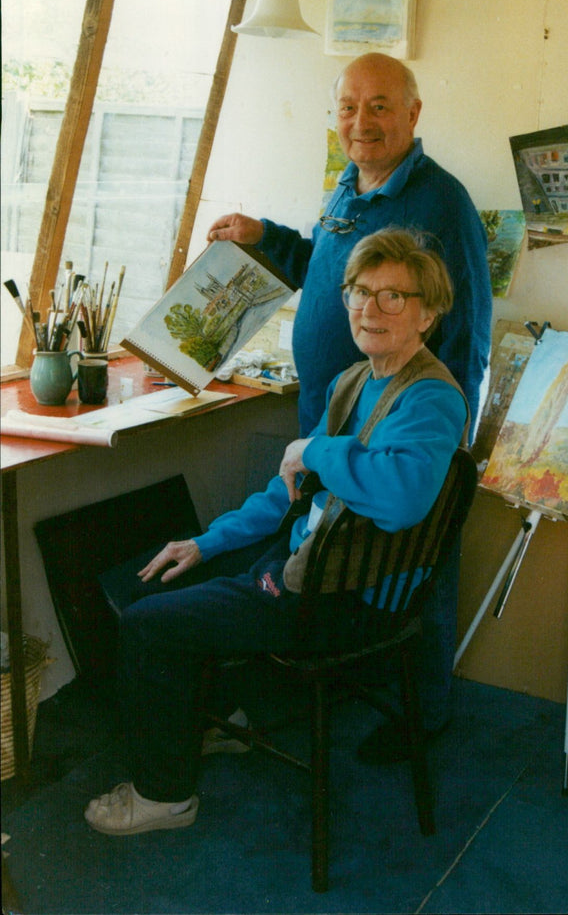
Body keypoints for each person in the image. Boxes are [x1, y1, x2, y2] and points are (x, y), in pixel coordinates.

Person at [85, 230, 468, 836]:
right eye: (360, 292)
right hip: (308, 561)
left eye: (394, 296)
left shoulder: (430, 397)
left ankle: (165, 796)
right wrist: (205, 542)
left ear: (430, 312)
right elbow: (287, 493)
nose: (370, 309)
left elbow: (400, 500)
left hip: (341, 598)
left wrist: (314, 446)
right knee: (149, 578)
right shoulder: (356, 381)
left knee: (148, 625)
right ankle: (216, 718)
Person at [206, 52, 492, 758]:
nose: (361, 122)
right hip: (331, 418)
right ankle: (340, 677)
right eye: (348, 107)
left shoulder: (439, 204)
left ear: (414, 114)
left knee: (415, 562)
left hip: (398, 422)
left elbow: (467, 325)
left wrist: (432, 429)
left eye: (380, 106)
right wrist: (261, 237)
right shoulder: (349, 186)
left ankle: (423, 717)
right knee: (332, 546)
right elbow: (325, 271)